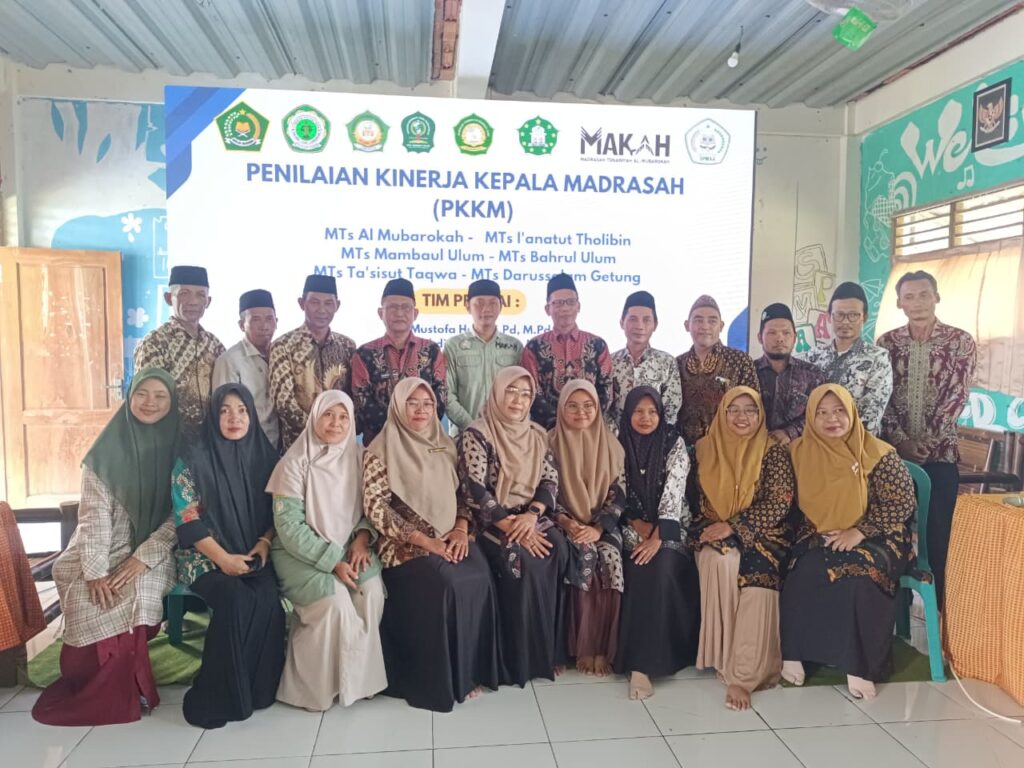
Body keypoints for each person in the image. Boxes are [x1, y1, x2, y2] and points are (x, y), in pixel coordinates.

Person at [32, 369, 180, 726]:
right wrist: (96, 571)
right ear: (129, 397)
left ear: (172, 402)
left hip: (155, 548)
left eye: (160, 396)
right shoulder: (105, 453)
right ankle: (91, 684)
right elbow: (93, 518)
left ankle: (133, 686)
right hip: (102, 545)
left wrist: (143, 557)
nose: (150, 403)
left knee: (138, 591)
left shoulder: (180, 450)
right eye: (142, 394)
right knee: (93, 593)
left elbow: (181, 515)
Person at [362, 378, 499, 712]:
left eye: (427, 403)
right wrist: (427, 541)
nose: (421, 410)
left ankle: (470, 671)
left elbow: (463, 495)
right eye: (412, 403)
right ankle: (444, 679)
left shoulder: (446, 444)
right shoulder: (378, 449)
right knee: (446, 584)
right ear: (398, 406)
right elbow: (376, 508)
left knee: (480, 575)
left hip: (451, 535)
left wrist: (461, 528)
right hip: (403, 545)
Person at [782, 385, 915, 699]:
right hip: (819, 531)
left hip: (879, 534)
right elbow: (787, 502)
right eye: (822, 412)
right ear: (810, 417)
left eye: (839, 411)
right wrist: (819, 531)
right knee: (804, 569)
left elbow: (901, 503)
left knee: (858, 575)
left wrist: (860, 531)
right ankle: (794, 652)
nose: (832, 419)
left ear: (852, 413)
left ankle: (859, 665)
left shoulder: (878, 453)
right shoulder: (796, 453)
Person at [172, 383, 285, 728]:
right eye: (225, 411)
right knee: (235, 597)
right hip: (204, 557)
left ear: (252, 416)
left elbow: (277, 513)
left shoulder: (266, 458)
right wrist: (224, 560)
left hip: (252, 552)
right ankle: (219, 695)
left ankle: (257, 690)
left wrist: (264, 542)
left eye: (242, 410)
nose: (234, 418)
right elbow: (187, 519)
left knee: (267, 597)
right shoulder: (192, 460)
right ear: (214, 416)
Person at [268, 390, 387, 710]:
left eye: (344, 416)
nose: (336, 423)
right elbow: (289, 528)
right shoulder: (294, 463)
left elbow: (372, 507)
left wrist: (362, 538)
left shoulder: (359, 457)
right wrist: (333, 562)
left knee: (371, 593)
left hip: (350, 546)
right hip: (299, 554)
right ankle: (313, 690)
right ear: (314, 418)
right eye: (328, 415)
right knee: (335, 604)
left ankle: (358, 682)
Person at [458, 366, 569, 686]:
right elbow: (475, 489)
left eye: (525, 394)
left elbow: (550, 480)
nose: (518, 400)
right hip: (491, 519)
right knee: (523, 560)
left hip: (529, 515)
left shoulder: (537, 434)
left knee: (558, 549)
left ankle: (547, 651)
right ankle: (518, 659)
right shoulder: (477, 433)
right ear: (496, 393)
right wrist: (510, 525)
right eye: (511, 391)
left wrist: (532, 516)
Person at [877, 271, 975, 607]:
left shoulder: (960, 342)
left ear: (936, 297)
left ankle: (938, 613)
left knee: (937, 539)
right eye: (909, 296)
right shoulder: (886, 344)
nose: (917, 302)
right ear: (899, 302)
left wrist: (927, 444)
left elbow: (956, 396)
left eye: (923, 295)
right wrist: (901, 442)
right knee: (893, 535)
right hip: (894, 458)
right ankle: (895, 612)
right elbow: (883, 397)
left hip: (941, 456)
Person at [692, 386, 792, 711]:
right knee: (718, 560)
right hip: (712, 524)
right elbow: (693, 500)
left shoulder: (772, 451)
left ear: (760, 415)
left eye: (750, 410)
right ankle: (722, 656)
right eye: (733, 409)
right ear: (721, 413)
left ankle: (746, 673)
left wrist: (736, 525)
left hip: (765, 532)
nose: (741, 417)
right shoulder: (703, 449)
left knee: (758, 582)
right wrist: (716, 527)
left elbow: (779, 501)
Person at [613, 386, 700, 700]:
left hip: (671, 526)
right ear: (628, 413)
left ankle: (647, 664)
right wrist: (637, 524)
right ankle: (634, 659)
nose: (645, 418)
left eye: (652, 412)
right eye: (638, 411)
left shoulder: (674, 443)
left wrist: (657, 537)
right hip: (630, 524)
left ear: (662, 414)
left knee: (661, 566)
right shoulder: (618, 441)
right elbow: (616, 490)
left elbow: (674, 493)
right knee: (635, 569)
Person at [549, 380, 625, 677]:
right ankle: (582, 646)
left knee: (610, 559)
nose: (581, 412)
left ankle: (602, 647)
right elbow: (546, 491)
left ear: (598, 408)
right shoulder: (549, 442)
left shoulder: (612, 444)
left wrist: (598, 527)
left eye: (588, 406)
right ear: (561, 408)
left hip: (603, 523)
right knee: (583, 557)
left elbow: (619, 493)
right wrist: (568, 522)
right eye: (573, 406)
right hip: (563, 522)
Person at [269, 274, 358, 450]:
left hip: (340, 445)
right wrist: (321, 431)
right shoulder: (283, 346)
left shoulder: (347, 346)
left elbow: (352, 396)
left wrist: (338, 430)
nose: (322, 310)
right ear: (302, 303)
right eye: (315, 302)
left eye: (328, 303)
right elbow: (283, 403)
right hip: (298, 446)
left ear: (337, 305)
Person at [134, 265, 225, 438]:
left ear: (208, 301)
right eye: (184, 293)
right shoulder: (155, 343)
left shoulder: (215, 345)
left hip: (209, 441)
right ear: (169, 298)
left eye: (200, 295)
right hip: (168, 439)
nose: (193, 301)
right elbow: (148, 402)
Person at [353, 279, 447, 444]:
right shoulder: (364, 353)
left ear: (415, 313)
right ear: (380, 313)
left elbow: (440, 398)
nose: (399, 313)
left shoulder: (431, 350)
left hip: (423, 443)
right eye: (392, 307)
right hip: (379, 445)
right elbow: (363, 403)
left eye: (406, 307)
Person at [521, 273, 614, 429]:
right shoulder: (534, 347)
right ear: (547, 309)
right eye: (558, 303)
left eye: (570, 302)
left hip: (589, 430)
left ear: (578, 306)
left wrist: (584, 419)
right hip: (547, 432)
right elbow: (531, 392)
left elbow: (606, 390)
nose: (565, 308)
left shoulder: (598, 345)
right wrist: (561, 423)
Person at [803, 282, 893, 435]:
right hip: (816, 440)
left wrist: (841, 444)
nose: (845, 322)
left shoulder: (878, 358)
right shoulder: (812, 356)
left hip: (858, 443)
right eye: (839, 315)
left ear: (864, 317)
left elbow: (871, 415)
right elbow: (805, 405)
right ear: (829, 317)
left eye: (853, 315)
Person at [676, 295, 759, 446]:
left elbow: (753, 409)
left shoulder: (740, 361)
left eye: (712, 321)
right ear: (687, 325)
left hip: (726, 448)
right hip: (683, 450)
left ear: (721, 326)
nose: (705, 326)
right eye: (698, 320)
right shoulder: (677, 363)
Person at [444, 279, 523, 435]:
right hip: (464, 435)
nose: (486, 309)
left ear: (501, 305)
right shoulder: (453, 346)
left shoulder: (515, 347)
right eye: (479, 303)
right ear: (467, 306)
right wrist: (472, 426)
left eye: (492, 303)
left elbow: (522, 394)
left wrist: (506, 428)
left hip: (505, 436)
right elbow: (447, 394)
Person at [213, 288, 281, 449]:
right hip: (246, 447)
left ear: (276, 322)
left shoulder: (282, 355)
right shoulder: (230, 360)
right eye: (255, 319)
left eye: (269, 319)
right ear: (241, 325)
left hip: (278, 446)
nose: (264, 326)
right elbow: (223, 412)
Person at [608, 291, 682, 435]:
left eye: (646, 320)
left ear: (655, 325)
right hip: (616, 441)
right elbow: (603, 406)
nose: (639, 326)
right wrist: (616, 438)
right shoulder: (610, 362)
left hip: (655, 442)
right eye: (633, 319)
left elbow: (671, 409)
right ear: (622, 322)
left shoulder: (666, 362)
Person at [755, 303, 825, 445]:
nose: (780, 338)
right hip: (754, 449)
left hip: (800, 449)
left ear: (795, 337)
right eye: (772, 333)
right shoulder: (748, 371)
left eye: (786, 333)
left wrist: (790, 432)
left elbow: (821, 413)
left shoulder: (812, 374)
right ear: (760, 337)